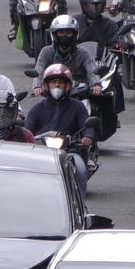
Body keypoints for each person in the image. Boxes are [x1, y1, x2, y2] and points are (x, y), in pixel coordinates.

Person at [24, 64, 93, 194]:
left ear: (67, 85)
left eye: (60, 82)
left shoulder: (78, 107)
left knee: (80, 170)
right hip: (42, 152)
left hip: (70, 152)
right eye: (53, 82)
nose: (56, 85)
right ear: (47, 85)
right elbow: (27, 131)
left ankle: (81, 206)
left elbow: (87, 126)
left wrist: (87, 137)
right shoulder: (37, 109)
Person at [34, 14, 102, 95]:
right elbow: (39, 70)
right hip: (53, 92)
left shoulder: (83, 54)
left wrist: (96, 84)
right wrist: (37, 86)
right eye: (61, 32)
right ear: (54, 35)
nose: (64, 36)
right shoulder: (46, 52)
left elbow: (92, 72)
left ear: (74, 35)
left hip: (78, 94)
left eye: (68, 32)